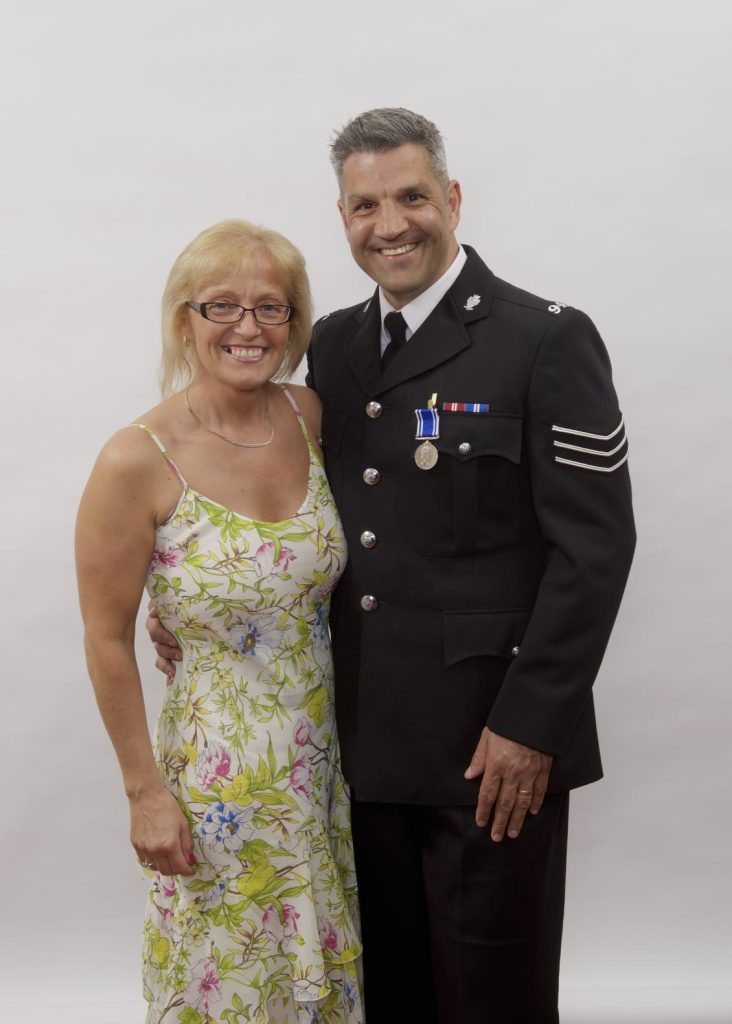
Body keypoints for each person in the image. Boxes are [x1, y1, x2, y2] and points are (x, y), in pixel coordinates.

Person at [150, 109, 636, 1024]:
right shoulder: (332, 344)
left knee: (493, 995)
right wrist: (200, 597)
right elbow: (288, 493)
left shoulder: (543, 339)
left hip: (490, 749)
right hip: (358, 741)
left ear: (450, 199)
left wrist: (532, 725)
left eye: (411, 196)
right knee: (390, 994)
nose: (391, 223)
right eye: (365, 204)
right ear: (343, 219)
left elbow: (596, 551)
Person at [76, 220, 363, 1024]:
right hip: (214, 787)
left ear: (295, 324)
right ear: (184, 321)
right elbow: (104, 638)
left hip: (322, 772)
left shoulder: (310, 417)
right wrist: (144, 793)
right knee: (228, 984)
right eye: (222, 307)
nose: (248, 328)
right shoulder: (136, 459)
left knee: (319, 981)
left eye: (271, 308)